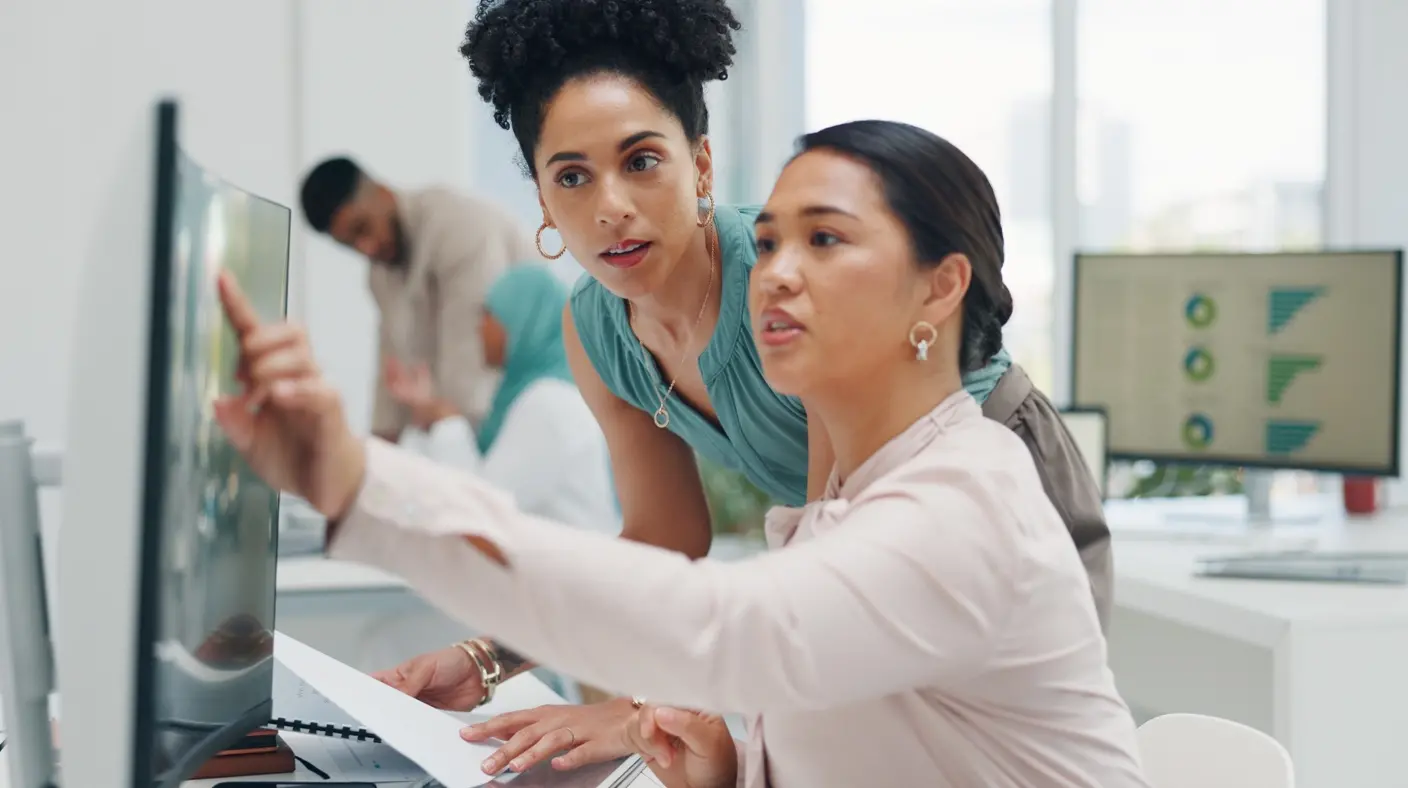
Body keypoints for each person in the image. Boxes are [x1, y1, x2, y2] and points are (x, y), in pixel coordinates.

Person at [213, 117, 1150, 788]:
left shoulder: (967, 495)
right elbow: (864, 727)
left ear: (940, 288)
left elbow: (735, 632)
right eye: (773, 239)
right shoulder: (840, 499)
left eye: (824, 240)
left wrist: (357, 481)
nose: (776, 269)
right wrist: (727, 767)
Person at [368, 0, 1114, 774]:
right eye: (573, 177)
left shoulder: (784, 290)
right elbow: (665, 537)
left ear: (700, 165)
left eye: (642, 161)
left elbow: (800, 597)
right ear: (545, 203)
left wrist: (631, 716)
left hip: (979, 464)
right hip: (845, 544)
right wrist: (487, 660)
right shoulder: (596, 331)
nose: (612, 206)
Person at [300, 156, 531, 442]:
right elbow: (391, 373)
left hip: (527, 412)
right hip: (471, 426)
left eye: (362, 228)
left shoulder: (457, 227)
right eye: (350, 245)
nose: (366, 248)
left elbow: (470, 366)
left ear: (383, 194)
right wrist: (374, 463)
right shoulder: (379, 272)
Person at [383, 263, 620, 535]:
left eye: (489, 313)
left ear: (522, 320)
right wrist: (425, 412)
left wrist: (447, 421)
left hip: (571, 572)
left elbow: (480, 508)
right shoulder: (530, 396)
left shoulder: (551, 404)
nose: (479, 326)